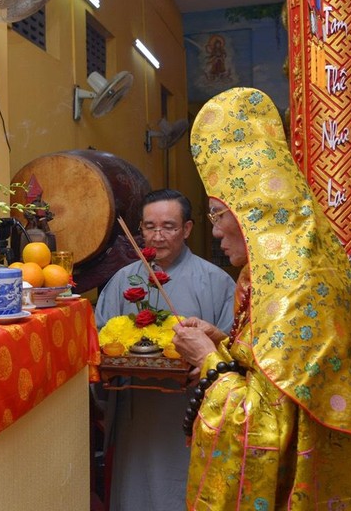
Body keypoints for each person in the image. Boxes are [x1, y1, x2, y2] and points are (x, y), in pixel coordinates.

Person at [173, 87, 351, 509]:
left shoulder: (295, 291)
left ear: (254, 211)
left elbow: (260, 431)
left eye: (218, 213)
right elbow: (270, 369)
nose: (215, 230)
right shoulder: (288, 269)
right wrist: (223, 342)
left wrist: (208, 361)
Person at [95, 188, 236, 511]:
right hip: (136, 413)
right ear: (139, 229)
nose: (157, 237)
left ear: (187, 229)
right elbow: (100, 344)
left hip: (189, 412)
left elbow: (231, 350)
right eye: (149, 227)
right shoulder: (122, 280)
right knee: (135, 492)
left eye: (169, 227)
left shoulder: (216, 281)